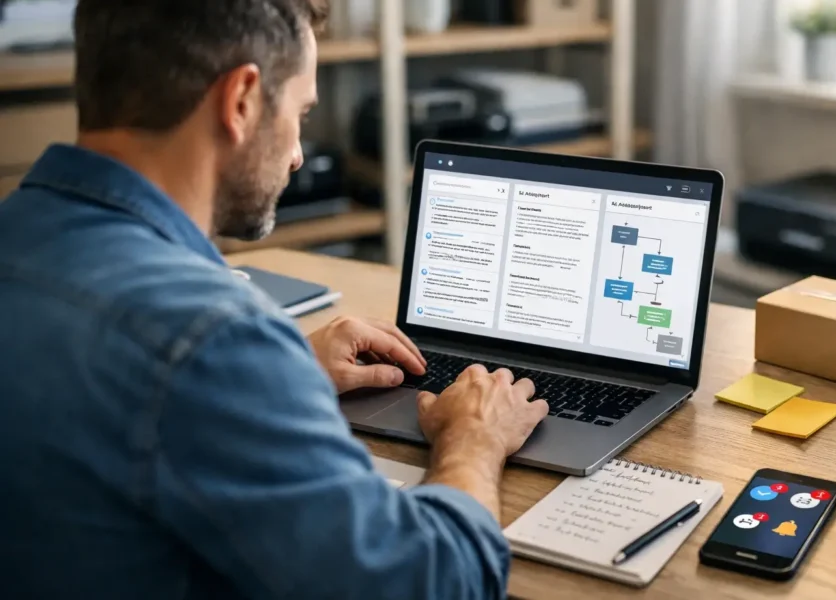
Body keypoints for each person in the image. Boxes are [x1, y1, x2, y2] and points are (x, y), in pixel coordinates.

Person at [0, 1, 549, 598]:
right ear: (241, 101)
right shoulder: (212, 340)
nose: (296, 155)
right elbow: (433, 583)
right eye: (301, 113)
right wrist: (474, 441)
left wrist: (282, 372)